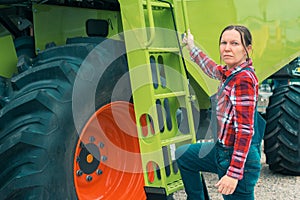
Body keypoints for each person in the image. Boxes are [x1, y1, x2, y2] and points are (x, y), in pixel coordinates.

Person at [175, 25, 261, 200]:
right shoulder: (229, 73)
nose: (227, 48)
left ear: (247, 49)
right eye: (224, 43)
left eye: (235, 43)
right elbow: (211, 68)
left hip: (238, 160)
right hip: (220, 150)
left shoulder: (243, 80)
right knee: (183, 155)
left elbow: (245, 131)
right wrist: (191, 46)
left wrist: (233, 174)